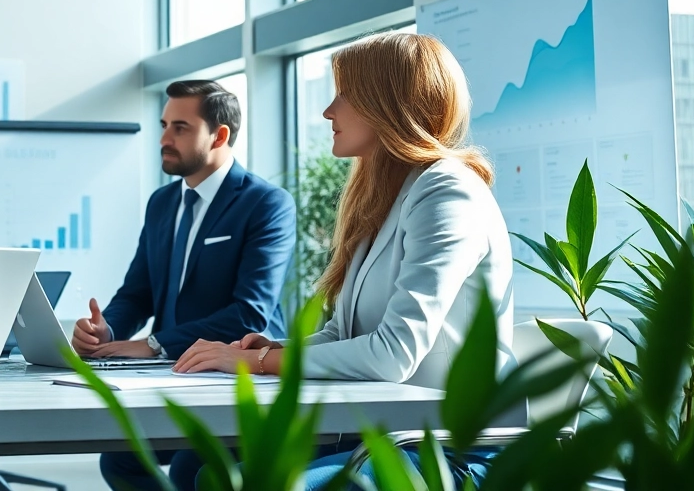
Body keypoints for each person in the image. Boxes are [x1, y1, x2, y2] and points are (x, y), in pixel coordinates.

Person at [173, 32, 514, 490]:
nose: (328, 111)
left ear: (387, 103)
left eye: (344, 95)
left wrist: (255, 365)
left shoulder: (446, 191)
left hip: (446, 447)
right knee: (197, 465)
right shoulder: (387, 196)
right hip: (384, 430)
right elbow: (344, 332)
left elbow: (394, 354)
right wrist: (271, 351)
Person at [71, 80, 297, 491]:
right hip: (173, 374)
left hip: (239, 378)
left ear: (220, 135)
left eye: (180, 128)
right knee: (122, 461)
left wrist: (156, 343)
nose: (163, 139)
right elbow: (137, 292)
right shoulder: (162, 202)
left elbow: (250, 312)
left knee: (190, 467)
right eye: (164, 125)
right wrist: (108, 331)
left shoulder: (266, 203)